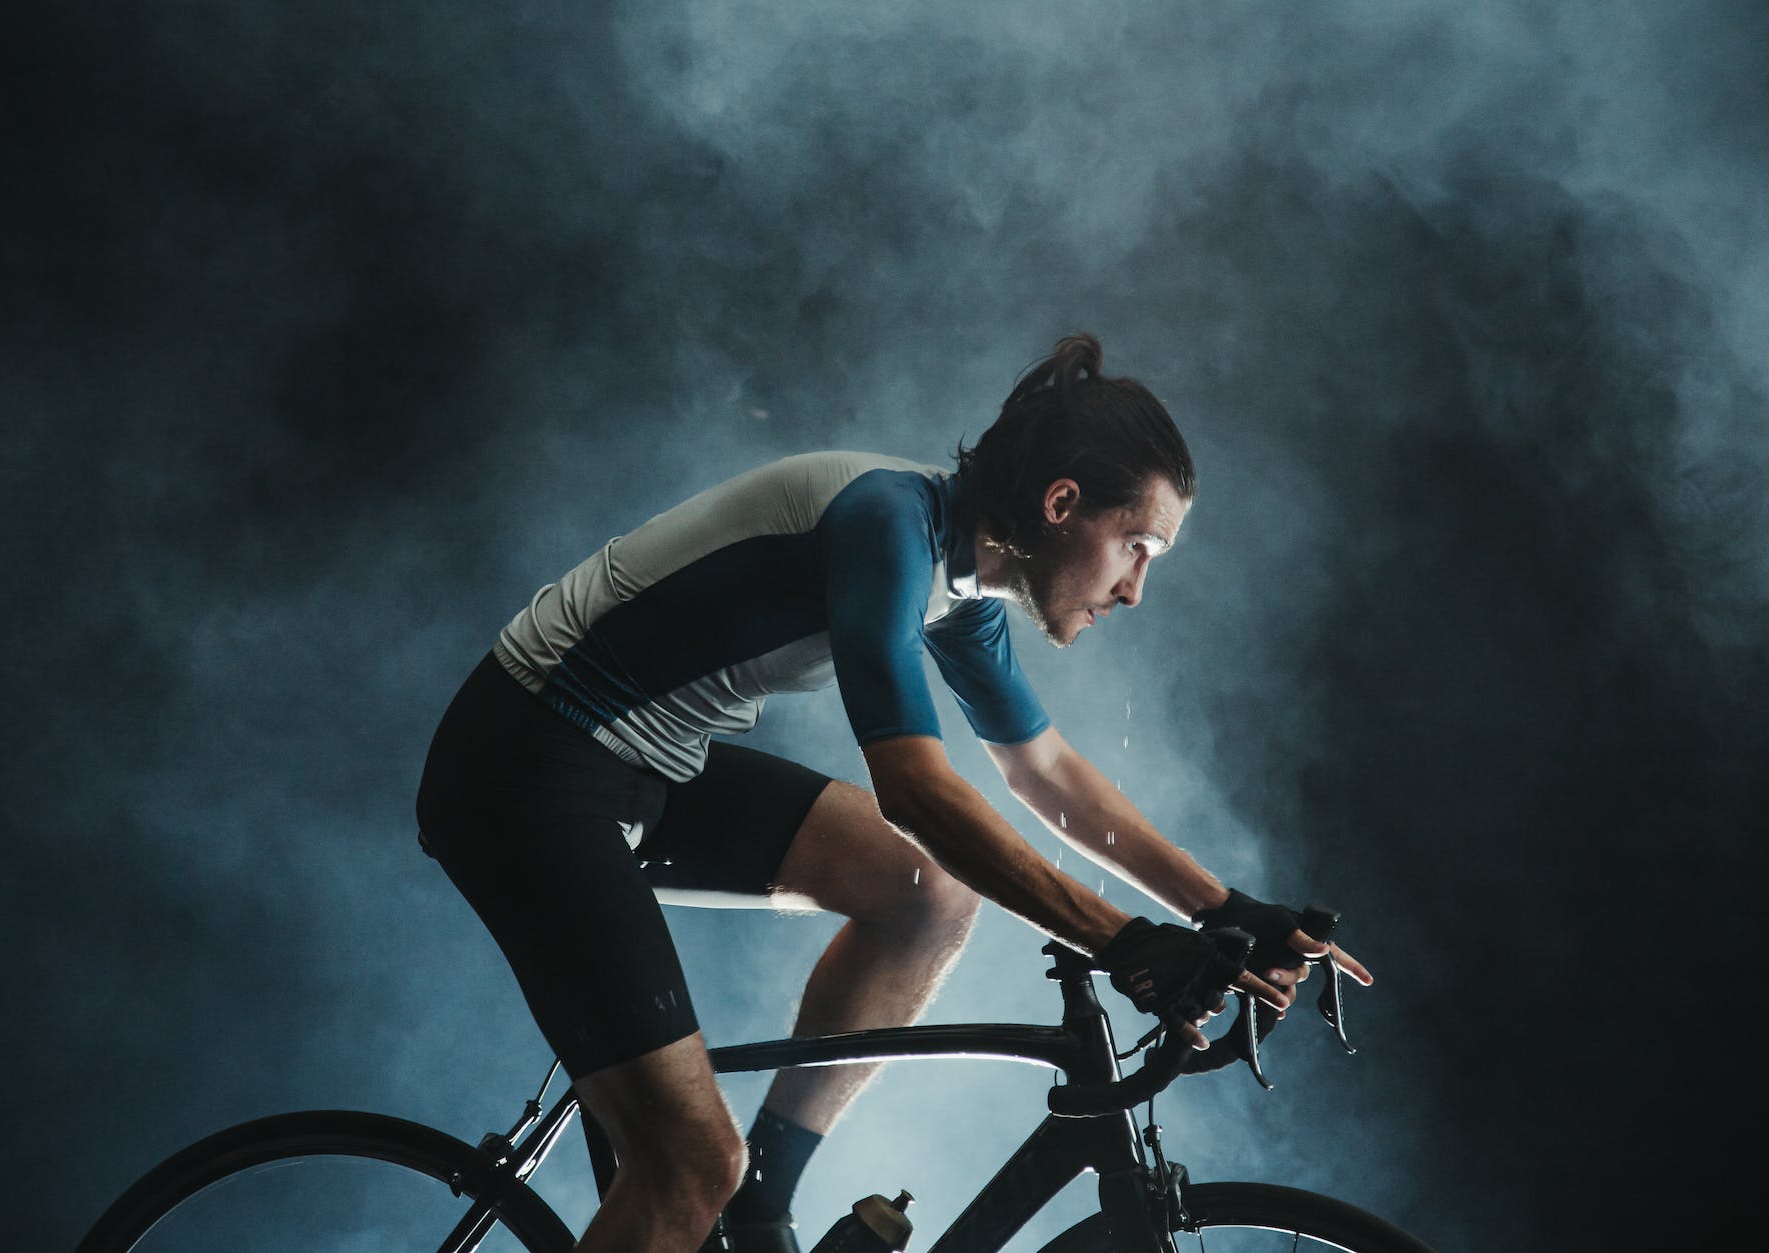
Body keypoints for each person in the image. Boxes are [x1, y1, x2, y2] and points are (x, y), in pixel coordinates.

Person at [413, 332, 1373, 1253]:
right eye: (1138, 548)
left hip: (644, 767)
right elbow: (914, 787)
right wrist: (1121, 939)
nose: (1133, 590)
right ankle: (721, 1185)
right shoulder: (887, 524)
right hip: (524, 764)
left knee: (925, 895)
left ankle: (764, 1205)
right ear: (1062, 500)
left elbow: (1046, 774)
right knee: (687, 1166)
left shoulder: (967, 582)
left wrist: (1224, 908)